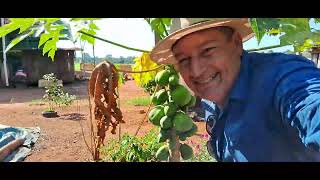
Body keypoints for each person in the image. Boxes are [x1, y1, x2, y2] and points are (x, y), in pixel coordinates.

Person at [150, 18, 320, 162]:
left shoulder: (282, 75)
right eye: (184, 59)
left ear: (237, 43)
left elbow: (310, 102)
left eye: (207, 50)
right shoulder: (212, 97)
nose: (196, 71)